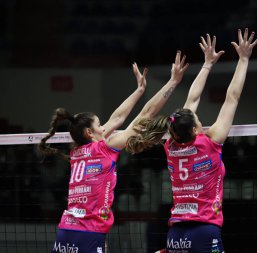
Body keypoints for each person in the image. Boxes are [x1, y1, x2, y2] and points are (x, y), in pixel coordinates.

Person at [38, 52, 189, 253]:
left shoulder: (77, 151)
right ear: (90, 133)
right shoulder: (104, 149)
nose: (105, 128)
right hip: (89, 233)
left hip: (66, 229)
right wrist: (173, 81)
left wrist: (139, 90)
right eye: (100, 125)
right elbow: (146, 114)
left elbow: (117, 118)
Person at [126, 28, 257, 253]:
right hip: (204, 231)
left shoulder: (171, 145)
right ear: (196, 129)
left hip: (176, 234)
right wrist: (243, 59)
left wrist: (208, 64)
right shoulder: (210, 142)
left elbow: (193, 99)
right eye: (198, 119)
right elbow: (232, 97)